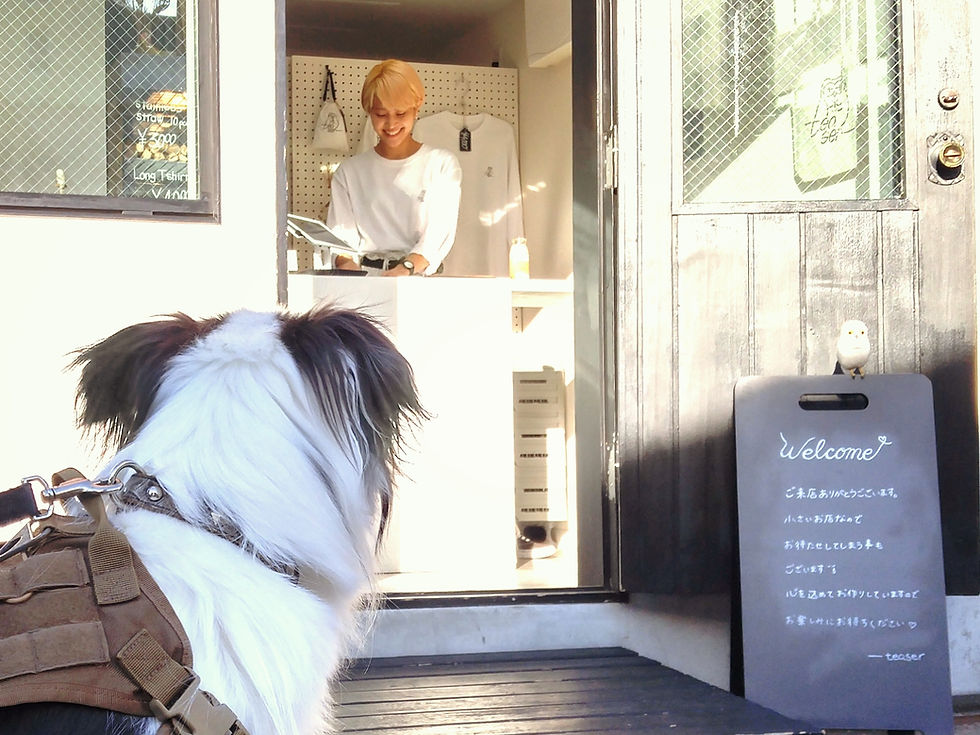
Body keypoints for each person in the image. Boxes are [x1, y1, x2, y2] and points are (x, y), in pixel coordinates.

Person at [326, 59, 462, 276]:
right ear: (369, 112)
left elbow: (438, 235)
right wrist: (347, 265)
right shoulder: (349, 173)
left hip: (417, 280)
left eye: (400, 114)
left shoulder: (441, 165)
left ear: (416, 108)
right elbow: (340, 240)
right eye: (381, 114)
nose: (391, 124)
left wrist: (406, 268)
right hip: (364, 280)